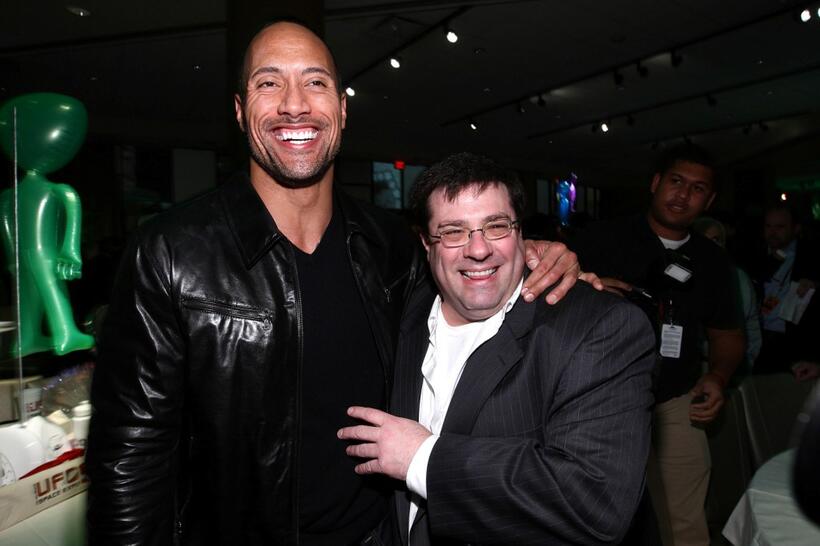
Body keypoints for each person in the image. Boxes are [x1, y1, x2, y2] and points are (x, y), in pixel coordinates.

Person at [85, 21, 585, 546]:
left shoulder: (391, 247)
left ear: (342, 111)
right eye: (269, 83)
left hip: (381, 533)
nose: (295, 105)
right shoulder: (170, 253)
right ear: (239, 111)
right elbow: (129, 458)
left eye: (316, 82)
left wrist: (532, 254)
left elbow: (472, 287)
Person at [338, 152, 656, 545]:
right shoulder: (402, 310)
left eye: (496, 226)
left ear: (520, 231)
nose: (478, 249)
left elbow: (596, 501)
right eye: (453, 231)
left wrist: (423, 459)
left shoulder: (598, 329)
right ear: (426, 241)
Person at [570, 144, 744, 546]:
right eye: (676, 182)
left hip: (674, 400)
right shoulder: (601, 239)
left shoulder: (713, 262)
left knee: (685, 521)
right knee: (600, 517)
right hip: (597, 404)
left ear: (709, 200)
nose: (682, 195)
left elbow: (728, 334)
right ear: (655, 183)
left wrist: (717, 376)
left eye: (697, 189)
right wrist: (585, 288)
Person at [747, 203, 819, 375]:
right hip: (759, 339)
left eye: (780, 227)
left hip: (795, 342)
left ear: (796, 228)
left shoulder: (812, 255)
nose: (773, 232)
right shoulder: (752, 254)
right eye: (768, 226)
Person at [692, 216, 761, 378]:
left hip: (729, 369)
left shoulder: (737, 278)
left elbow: (750, 326)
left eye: (716, 240)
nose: (710, 245)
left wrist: (745, 364)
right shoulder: (682, 278)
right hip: (690, 371)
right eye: (703, 239)